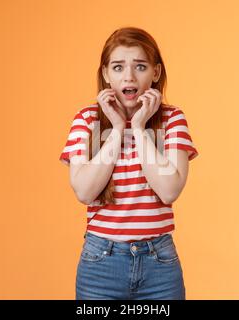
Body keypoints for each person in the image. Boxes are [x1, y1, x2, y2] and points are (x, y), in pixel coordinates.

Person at [59, 27, 199, 300]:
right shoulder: (87, 120)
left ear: (156, 73)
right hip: (100, 263)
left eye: (140, 66)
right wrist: (116, 128)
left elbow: (169, 191)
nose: (129, 76)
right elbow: (85, 192)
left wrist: (138, 126)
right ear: (105, 74)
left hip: (159, 263)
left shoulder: (172, 119)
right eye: (119, 67)